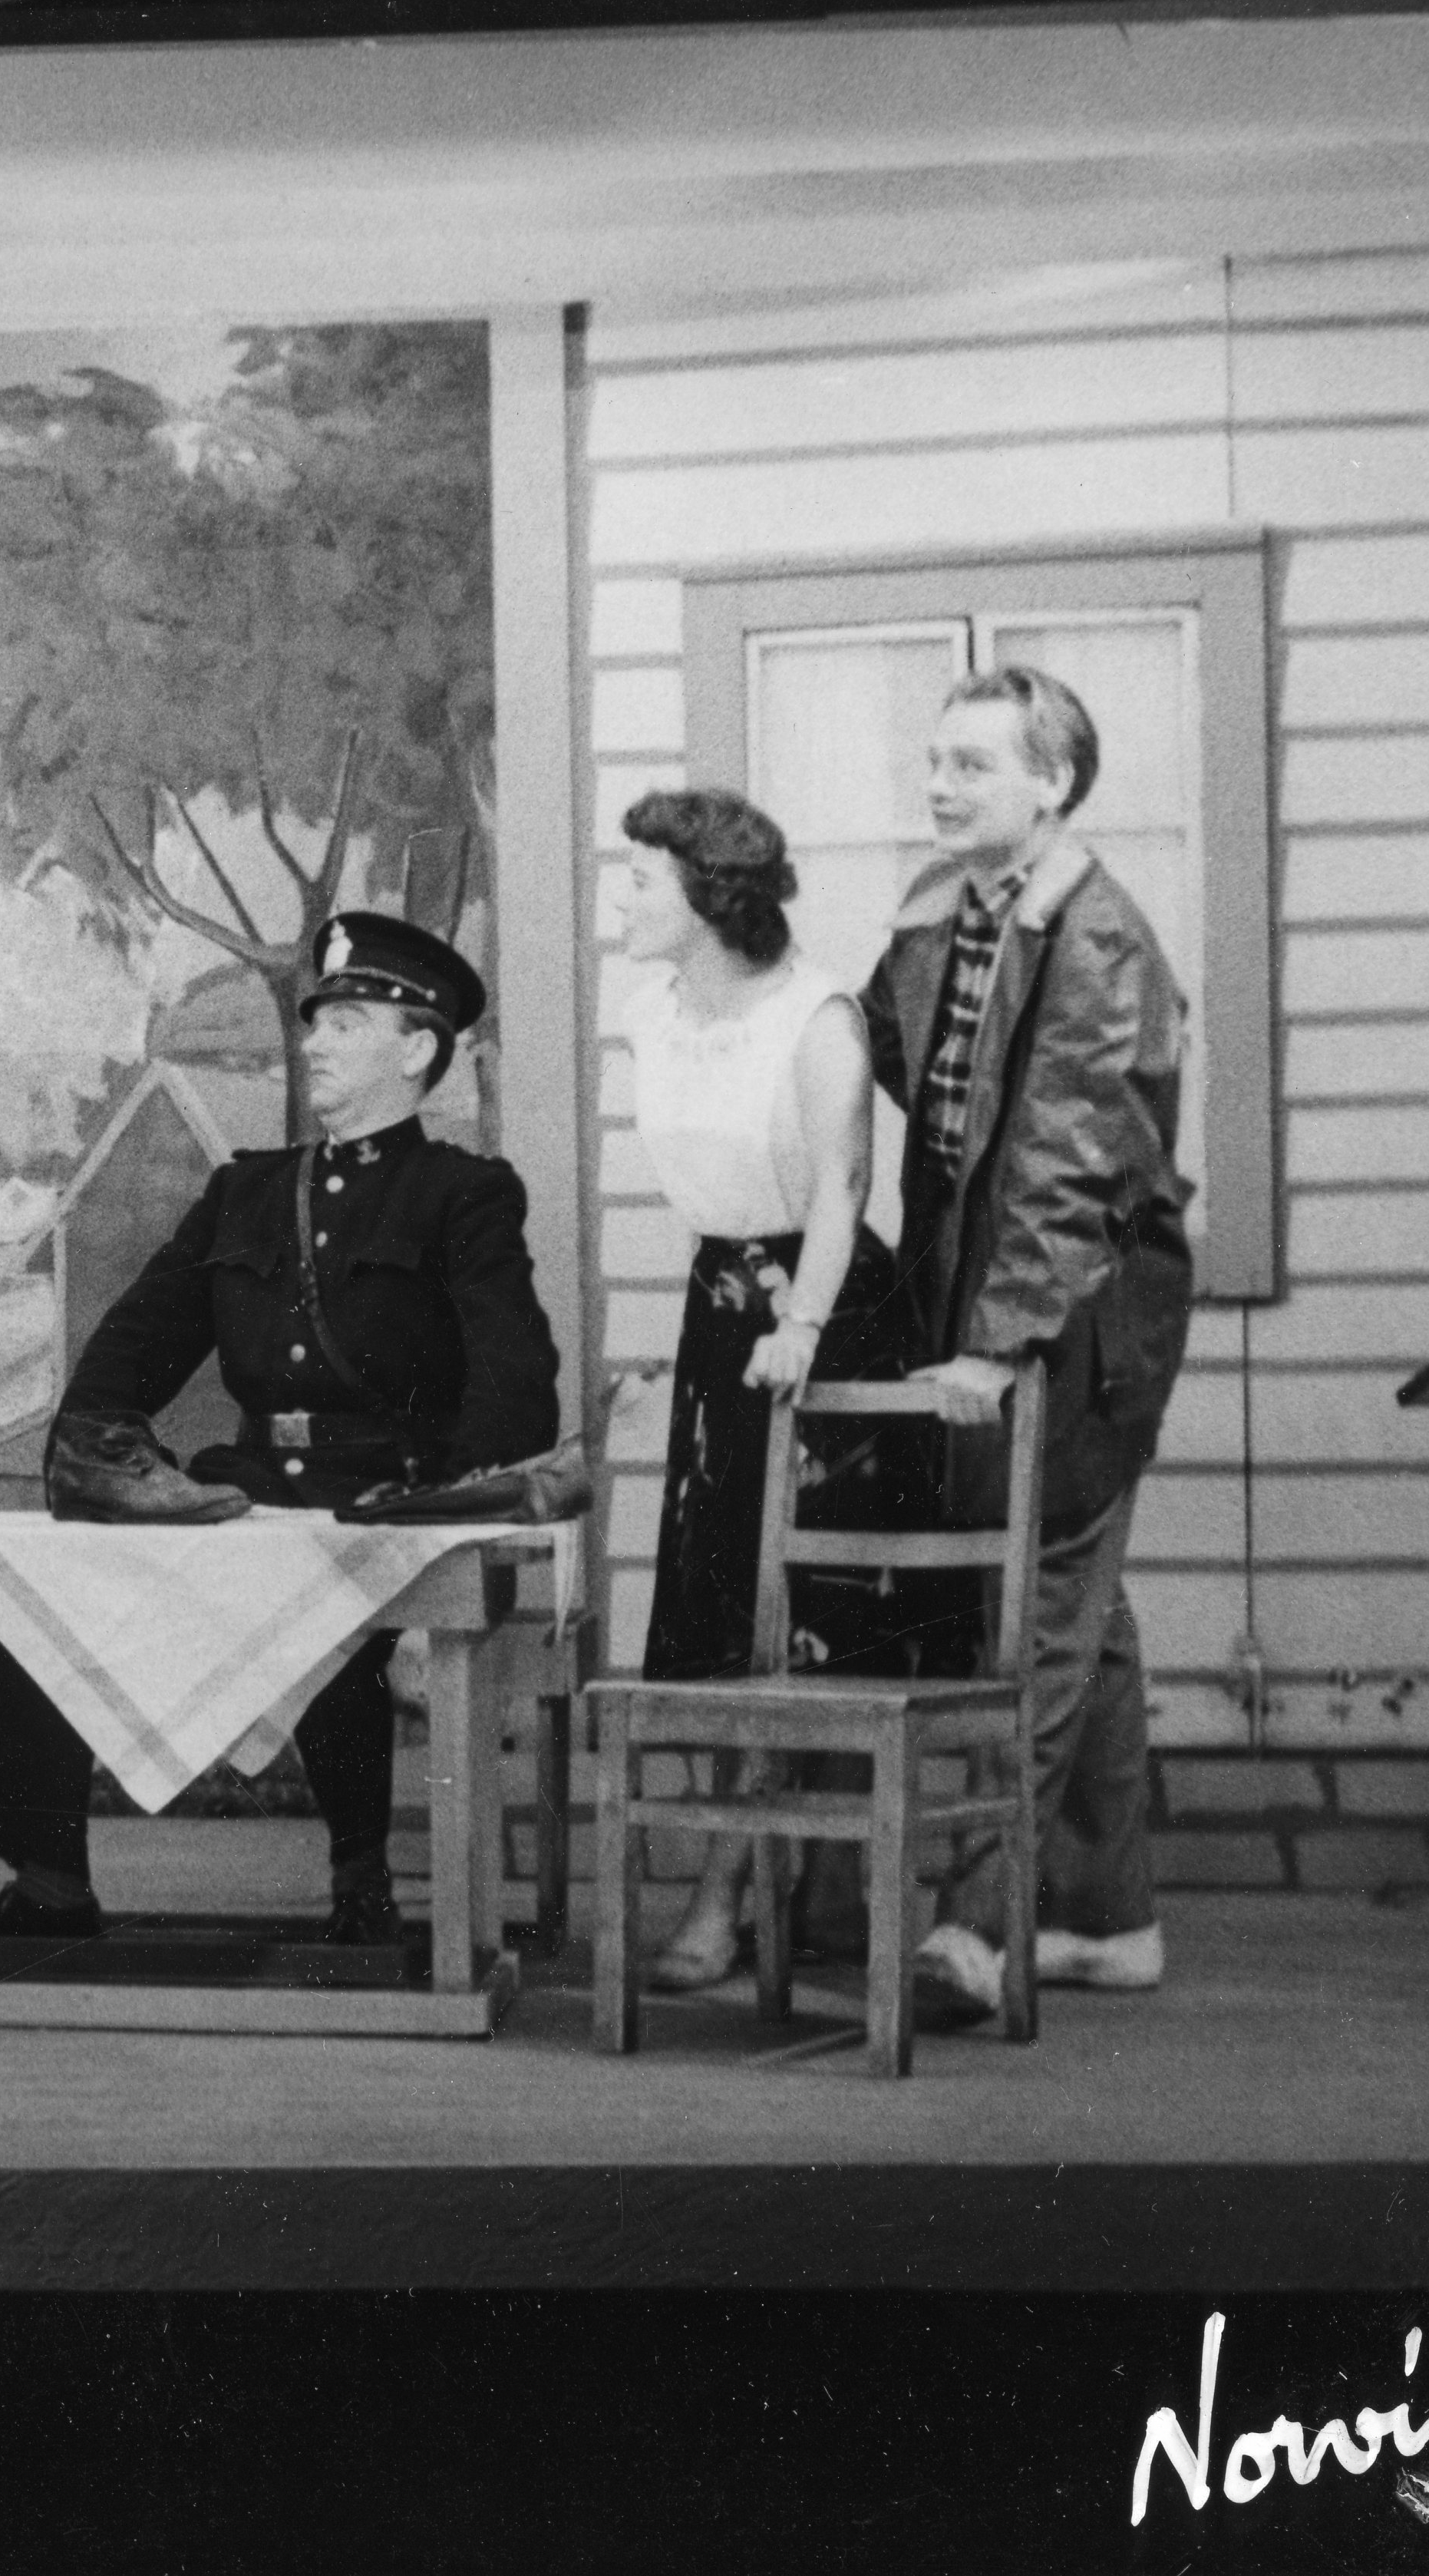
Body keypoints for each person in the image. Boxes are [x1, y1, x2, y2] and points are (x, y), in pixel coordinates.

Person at [0, 912, 563, 1944]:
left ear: (414, 1051)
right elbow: (132, 1345)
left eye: (346, 1022)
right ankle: (49, 1878)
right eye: (315, 1021)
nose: (314, 1041)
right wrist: (95, 1439)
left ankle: (360, 1883)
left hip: (380, 1499)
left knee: (331, 1613)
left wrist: (437, 1496)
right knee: (50, 1593)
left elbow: (517, 1390)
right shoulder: (245, 1191)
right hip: (246, 1491)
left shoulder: (461, 1195)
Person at [870, 666, 1194, 2031]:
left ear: (1051, 783)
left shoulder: (1098, 939)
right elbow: (904, 1072)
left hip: (1080, 1314)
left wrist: (995, 1345)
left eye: (972, 766)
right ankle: (1107, 1922)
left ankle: (978, 1925)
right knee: (1082, 1608)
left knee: (1042, 1608)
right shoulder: (946, 907)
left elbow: (1066, 1167)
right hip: (991, 1291)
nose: (938, 786)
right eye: (934, 761)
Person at [614, 789, 946, 1990]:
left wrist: (799, 1325)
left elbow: (841, 1188)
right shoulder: (651, 1013)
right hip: (720, 1312)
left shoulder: (814, 1018)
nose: (621, 901)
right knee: (722, 1605)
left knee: (815, 1608)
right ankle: (756, 1882)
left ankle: (764, 1892)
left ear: (706, 896)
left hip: (827, 1318)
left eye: (640, 881)